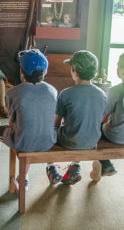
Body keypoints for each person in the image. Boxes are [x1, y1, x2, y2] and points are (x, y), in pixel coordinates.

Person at [0, 49, 58, 193]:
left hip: (23, 142)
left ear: (21, 71)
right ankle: (24, 178)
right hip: (48, 140)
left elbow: (12, 123)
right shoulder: (53, 91)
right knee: (32, 128)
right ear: (45, 71)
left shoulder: (13, 92)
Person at [46, 50, 107, 185]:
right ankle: (75, 166)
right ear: (94, 72)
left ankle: (51, 168)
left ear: (75, 72)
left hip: (69, 141)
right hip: (92, 141)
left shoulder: (66, 94)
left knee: (47, 131)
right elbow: (100, 118)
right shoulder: (102, 94)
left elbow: (55, 124)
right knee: (82, 127)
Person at [89, 54, 124, 181]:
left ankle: (105, 163)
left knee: (96, 129)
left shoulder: (116, 91)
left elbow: (104, 115)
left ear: (120, 70)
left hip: (118, 137)